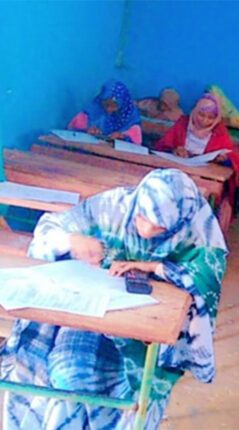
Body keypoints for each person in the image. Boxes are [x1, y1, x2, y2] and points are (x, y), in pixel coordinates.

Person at [0, 169, 227, 429]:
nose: (146, 230)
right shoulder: (114, 205)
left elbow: (206, 279)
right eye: (142, 217)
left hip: (143, 329)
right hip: (92, 311)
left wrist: (152, 267)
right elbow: (49, 229)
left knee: (121, 385)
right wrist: (71, 240)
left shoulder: (198, 230)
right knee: (65, 371)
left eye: (160, 227)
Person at [68, 80, 142, 144]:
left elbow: (136, 143)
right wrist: (87, 131)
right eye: (106, 104)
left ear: (122, 104)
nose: (109, 109)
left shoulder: (129, 117)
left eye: (114, 106)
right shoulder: (93, 110)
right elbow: (70, 132)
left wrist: (122, 136)